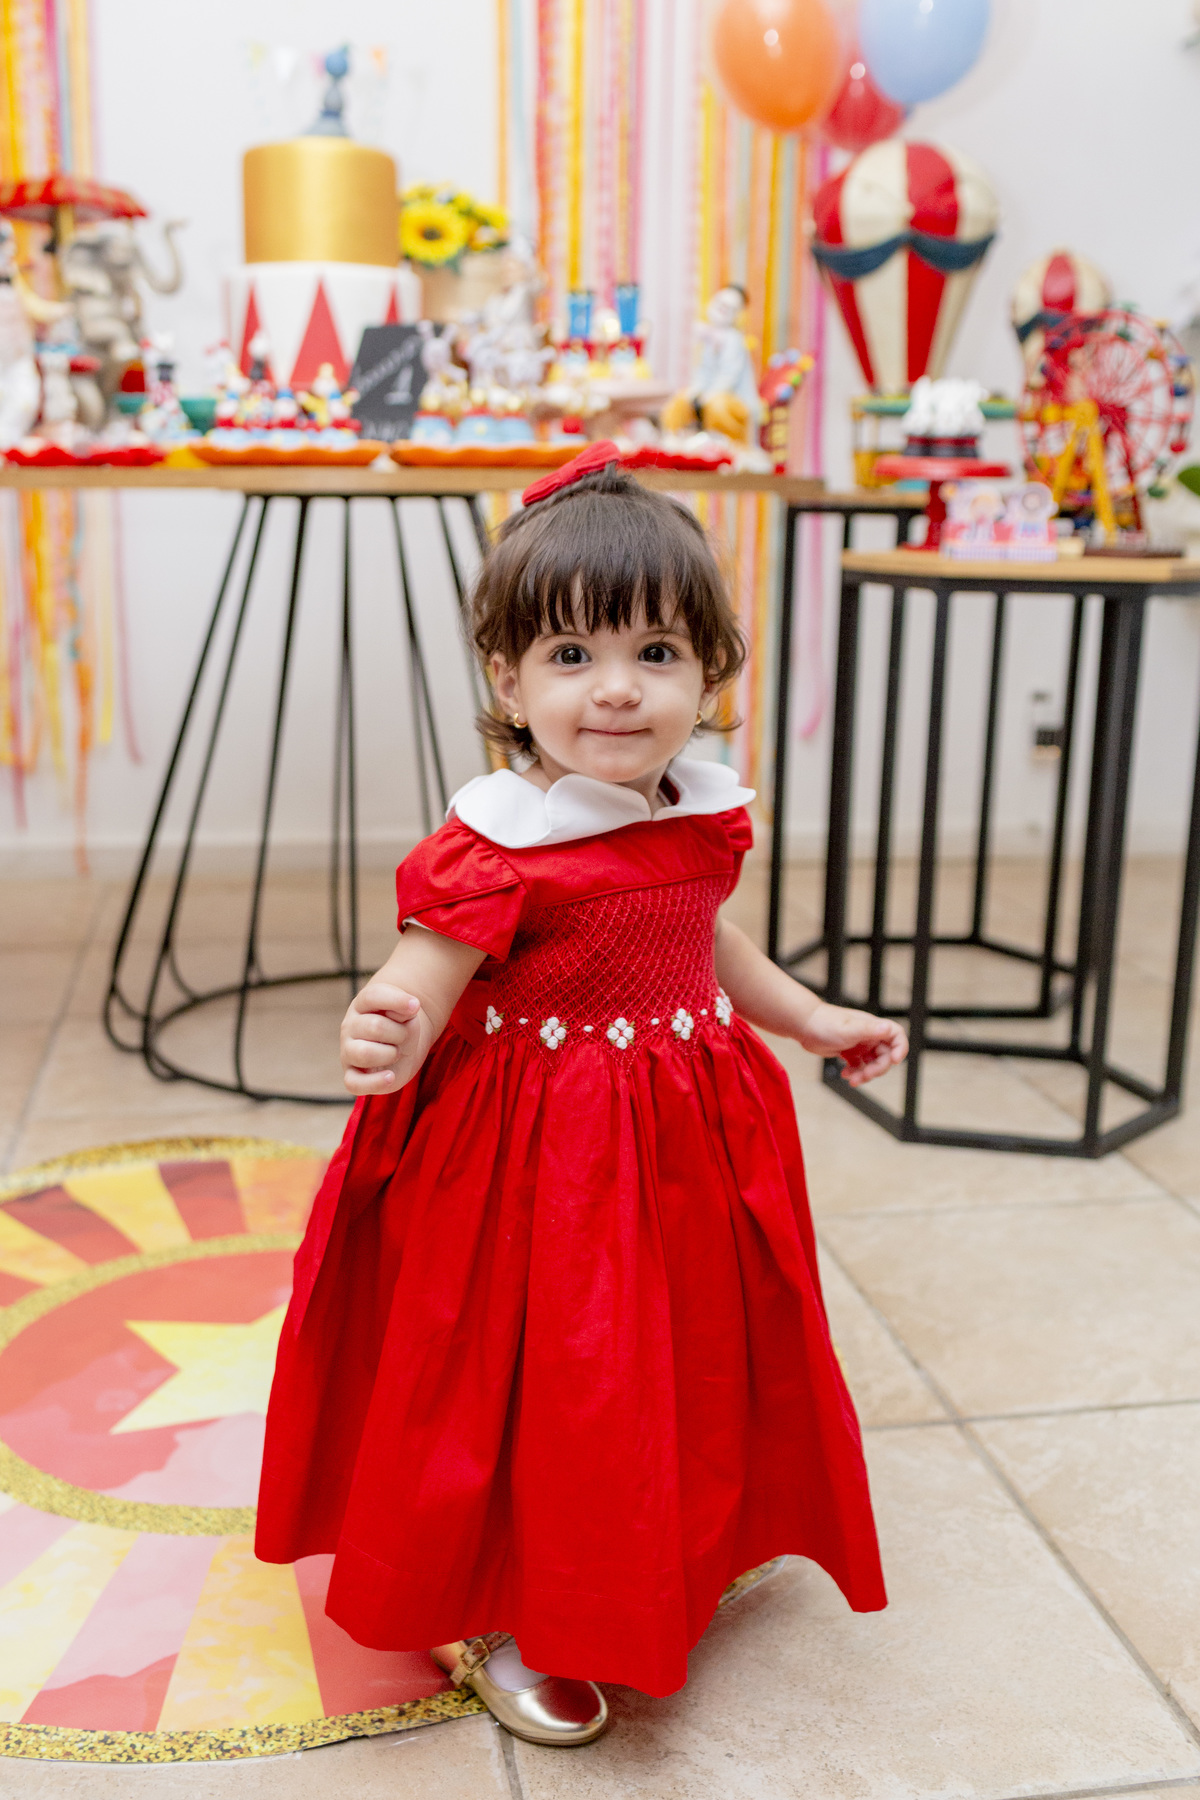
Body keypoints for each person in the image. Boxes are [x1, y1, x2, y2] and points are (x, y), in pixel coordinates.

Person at [256, 441, 905, 1747]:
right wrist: (392, 1022)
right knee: (540, 1373)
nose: (617, 688)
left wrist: (806, 1015)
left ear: (709, 673)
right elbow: (427, 968)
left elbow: (704, 937)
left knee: (669, 1353)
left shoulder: (695, 816)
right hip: (534, 1161)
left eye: (656, 652)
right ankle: (493, 1600)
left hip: (678, 1138)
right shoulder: (501, 846)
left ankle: (659, 1539)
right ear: (509, 679)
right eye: (572, 654)